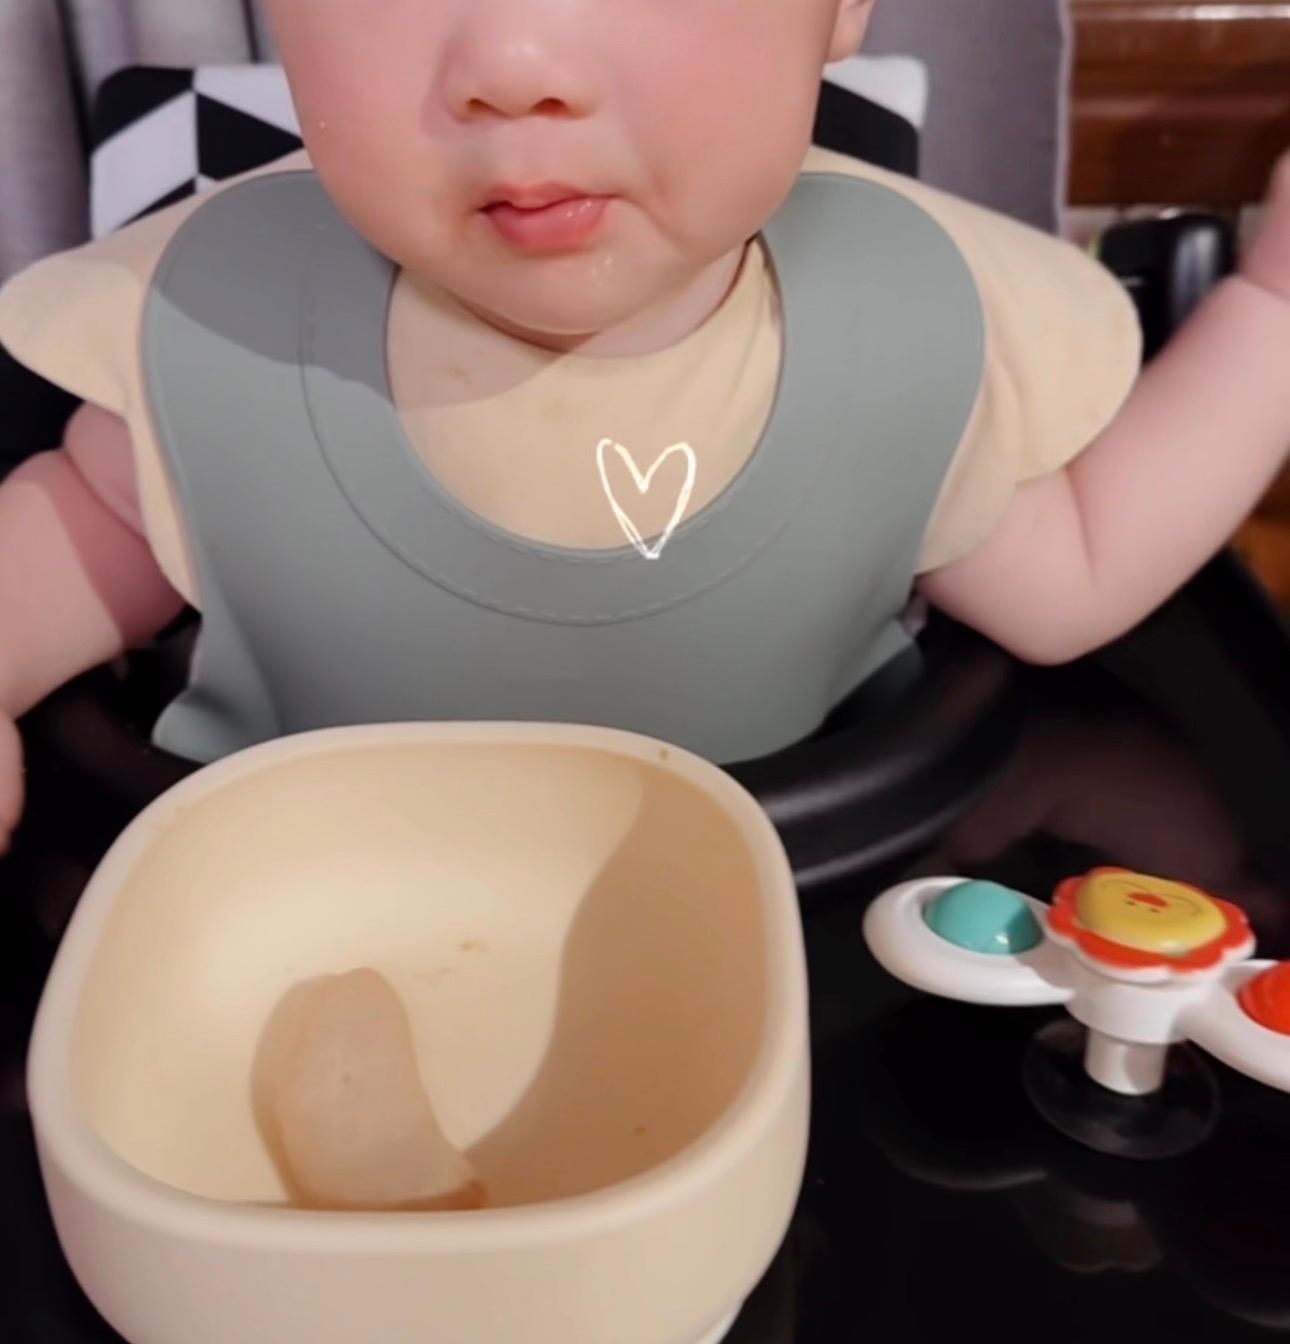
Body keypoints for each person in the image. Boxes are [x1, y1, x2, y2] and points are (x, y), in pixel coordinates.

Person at [0, 0, 1287, 849]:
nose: (513, 69)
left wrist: (1272, 306)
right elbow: (52, 564)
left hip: (774, 959)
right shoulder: (219, 339)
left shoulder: (908, 335)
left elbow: (1077, 569)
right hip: (284, 944)